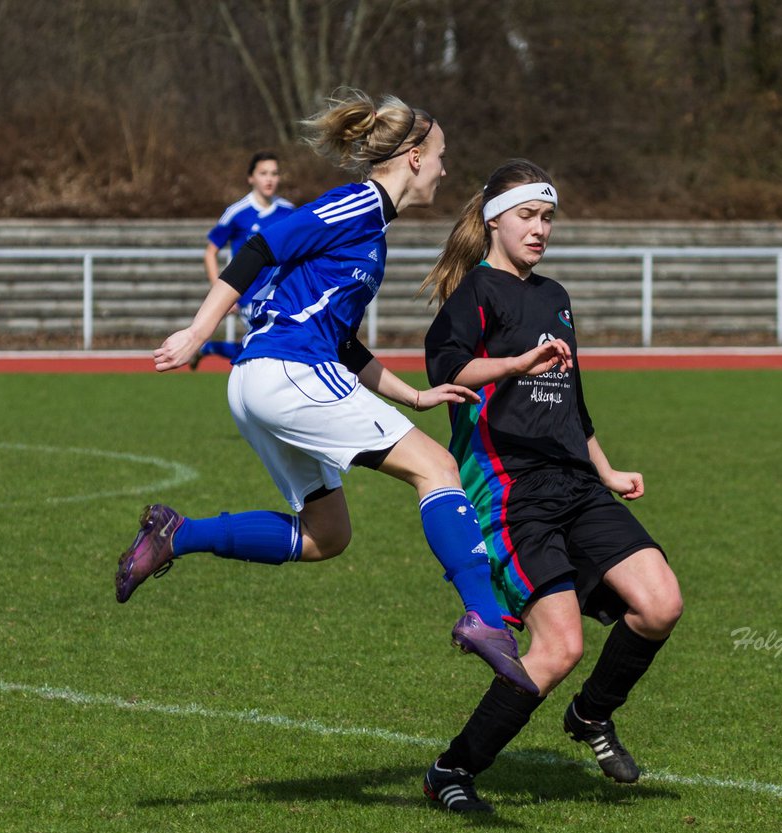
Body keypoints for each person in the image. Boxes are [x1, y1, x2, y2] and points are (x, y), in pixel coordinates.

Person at [115, 92, 538, 694]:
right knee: (439, 468)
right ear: (414, 158)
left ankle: (177, 535)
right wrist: (198, 330)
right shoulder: (361, 203)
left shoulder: (374, 232)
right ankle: (487, 619)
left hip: (269, 377)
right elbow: (262, 245)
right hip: (288, 370)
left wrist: (412, 397)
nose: (446, 169)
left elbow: (343, 342)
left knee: (325, 535)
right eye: (441, 156)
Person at [418, 160, 683, 813]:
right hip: (511, 488)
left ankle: (592, 715)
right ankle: (453, 769)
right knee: (560, 645)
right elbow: (447, 367)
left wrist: (605, 467)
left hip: (574, 481)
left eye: (547, 218)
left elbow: (570, 402)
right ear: (494, 220)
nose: (540, 229)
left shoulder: (555, 296)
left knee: (659, 603)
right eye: (528, 216)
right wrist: (512, 362)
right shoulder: (475, 294)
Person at [189, 151, 297, 369]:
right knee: (264, 347)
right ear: (251, 178)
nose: (269, 179)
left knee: (266, 347)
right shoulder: (237, 213)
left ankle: (210, 348)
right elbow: (210, 252)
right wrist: (221, 293)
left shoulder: (289, 211)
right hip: (248, 295)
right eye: (263, 173)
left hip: (279, 293)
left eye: (274, 174)